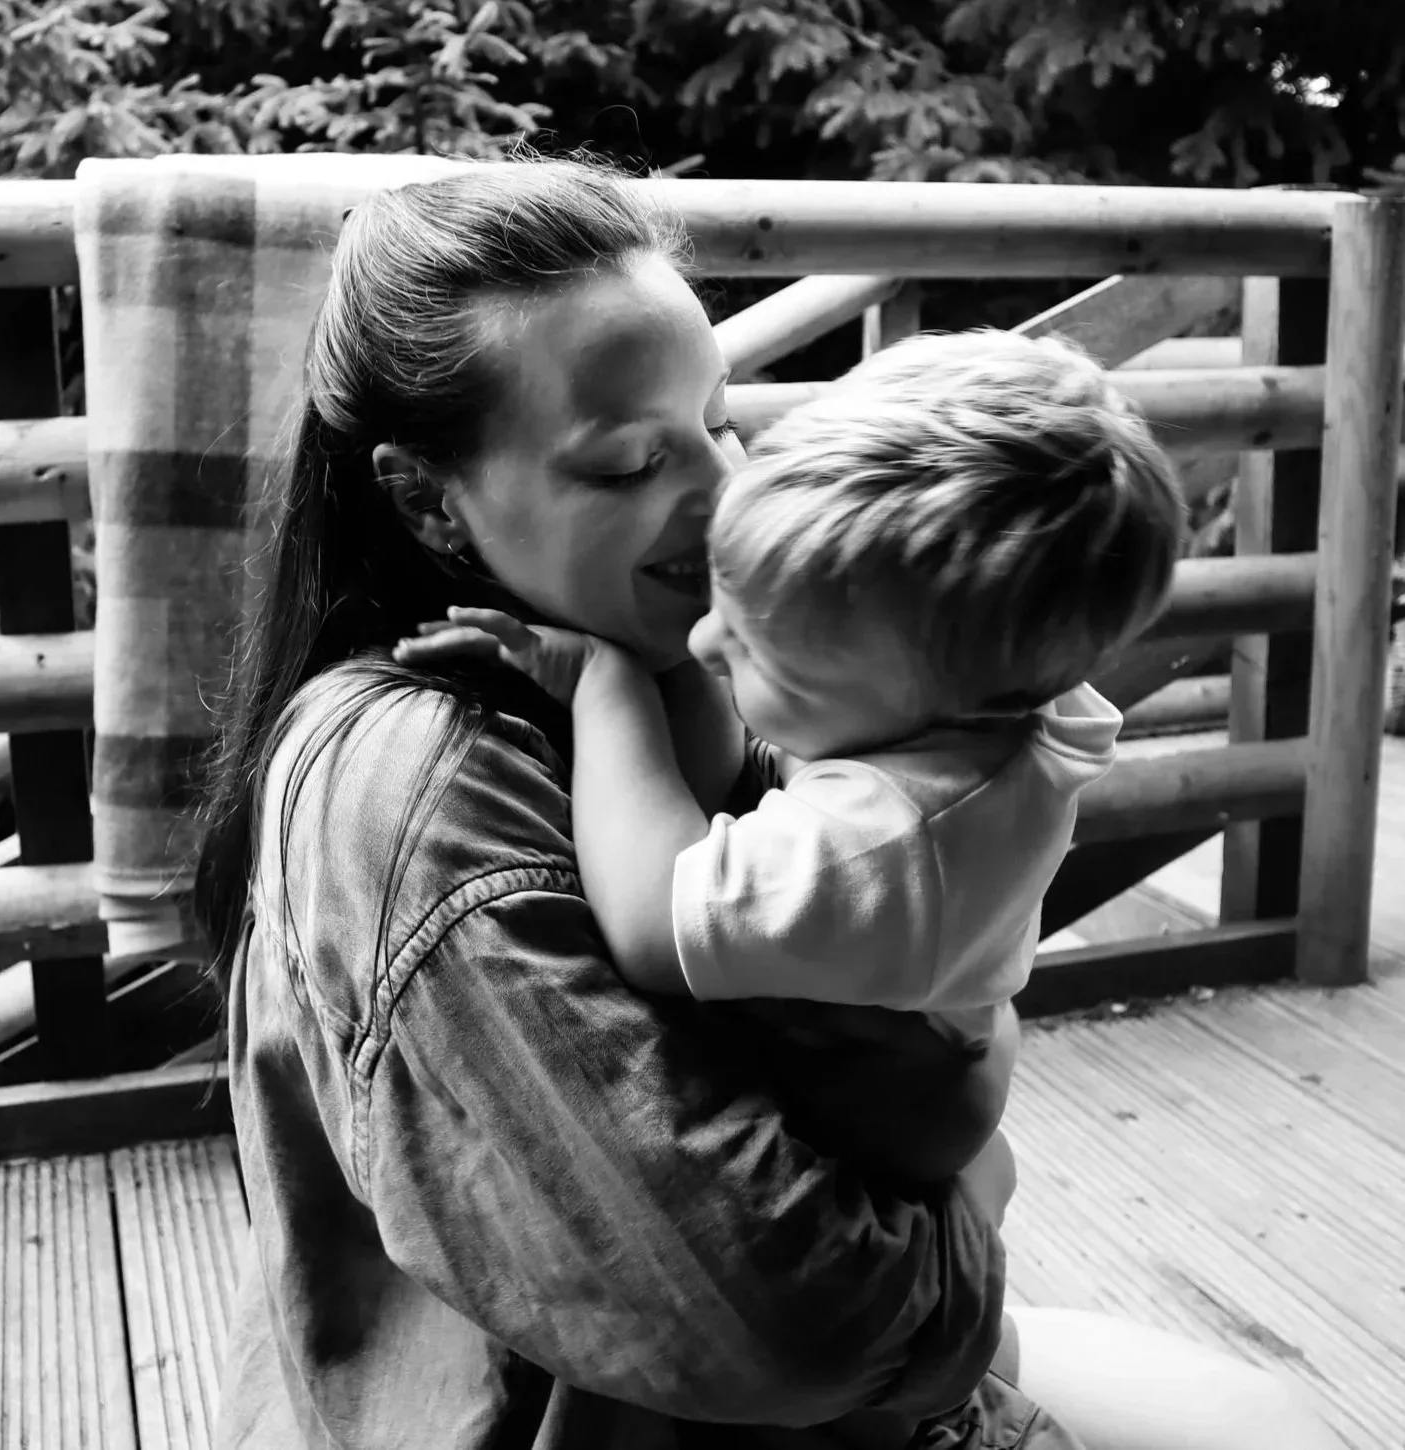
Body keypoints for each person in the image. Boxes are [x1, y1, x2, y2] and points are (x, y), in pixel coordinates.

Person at [195, 154, 1344, 1449]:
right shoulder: (425, 779)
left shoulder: (644, 655)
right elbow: (796, 1323)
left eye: (717, 420)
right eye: (630, 462)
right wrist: (964, 1199)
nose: (718, 488)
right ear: (426, 499)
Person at [396, 328, 1177, 1195]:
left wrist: (603, 684)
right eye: (722, 594)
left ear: (966, 702)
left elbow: (653, 928)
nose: (703, 642)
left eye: (764, 656)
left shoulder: (880, 843)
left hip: (882, 1119)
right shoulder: (993, 687)